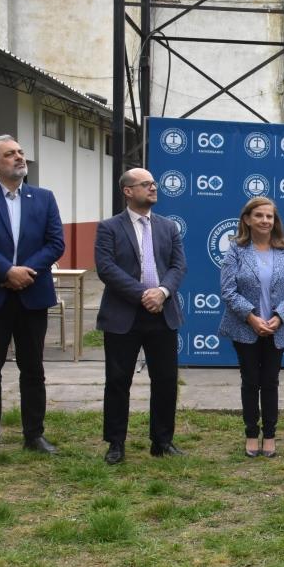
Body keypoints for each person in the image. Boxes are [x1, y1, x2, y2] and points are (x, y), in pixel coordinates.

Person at [0, 135, 65, 460]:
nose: (19, 157)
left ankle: (34, 435)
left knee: (33, 369)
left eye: (20, 152)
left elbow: (55, 243)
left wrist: (24, 273)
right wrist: (7, 271)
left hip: (32, 295)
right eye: (10, 154)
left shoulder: (44, 198)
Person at [95, 168, 187, 464]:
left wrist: (161, 292)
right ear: (128, 191)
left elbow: (178, 266)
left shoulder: (168, 227)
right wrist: (142, 294)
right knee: (118, 380)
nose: (153, 188)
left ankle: (162, 441)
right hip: (124, 314)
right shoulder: (109, 227)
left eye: (154, 184)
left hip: (163, 313)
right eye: (146, 184)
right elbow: (106, 268)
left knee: (166, 380)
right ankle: (116, 443)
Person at [219, 197, 284, 458]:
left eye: (270, 216)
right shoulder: (235, 250)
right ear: (247, 219)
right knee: (250, 381)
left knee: (270, 382)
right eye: (259, 216)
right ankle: (250, 434)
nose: (265, 221)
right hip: (246, 328)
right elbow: (228, 290)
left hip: (279, 329)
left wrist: (279, 317)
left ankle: (269, 434)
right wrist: (252, 318)